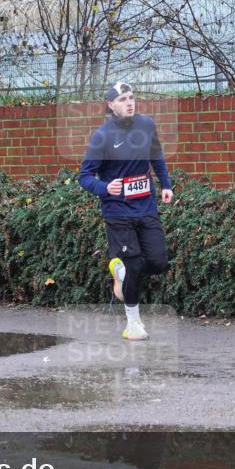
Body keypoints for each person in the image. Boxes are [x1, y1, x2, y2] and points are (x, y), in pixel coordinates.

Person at [78, 82, 173, 340]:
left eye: (131, 98)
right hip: (117, 211)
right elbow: (84, 177)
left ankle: (118, 273)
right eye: (122, 99)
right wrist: (106, 187)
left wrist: (166, 185)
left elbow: (157, 157)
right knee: (132, 265)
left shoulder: (146, 125)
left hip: (146, 206)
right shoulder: (102, 136)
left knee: (158, 261)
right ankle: (133, 323)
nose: (129, 103)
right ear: (111, 105)